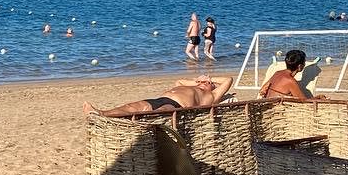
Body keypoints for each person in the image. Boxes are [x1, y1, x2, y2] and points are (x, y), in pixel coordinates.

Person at [86, 74, 234, 118]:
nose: (204, 83)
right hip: (160, 99)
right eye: (202, 81)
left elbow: (228, 80)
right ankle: (102, 113)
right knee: (131, 106)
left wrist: (210, 79)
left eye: (207, 83)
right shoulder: (191, 86)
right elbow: (179, 81)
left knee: (160, 112)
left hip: (178, 106)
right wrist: (198, 81)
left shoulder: (212, 95)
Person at [259, 48, 327, 102]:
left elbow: (262, 91)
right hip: (276, 109)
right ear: (299, 66)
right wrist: (318, 98)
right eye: (304, 63)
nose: (304, 64)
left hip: (266, 104)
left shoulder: (277, 73)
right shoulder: (290, 81)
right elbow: (304, 102)